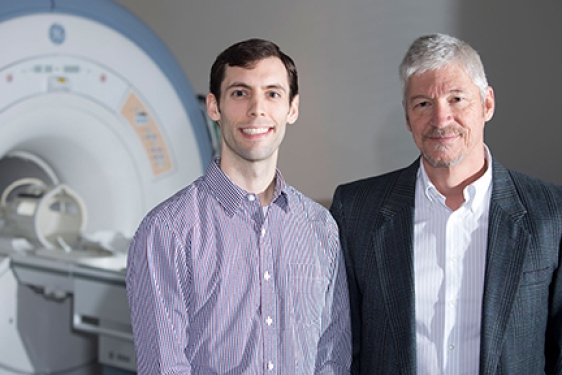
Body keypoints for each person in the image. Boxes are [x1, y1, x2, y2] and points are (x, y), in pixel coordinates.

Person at [330, 33, 562, 374]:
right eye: (423, 104)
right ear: (408, 118)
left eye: (456, 99)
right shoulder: (356, 210)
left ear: (487, 104)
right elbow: (340, 346)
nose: (440, 120)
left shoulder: (550, 212)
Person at [126, 38, 352, 374]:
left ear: (292, 108)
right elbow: (164, 367)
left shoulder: (320, 227)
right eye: (240, 93)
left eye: (272, 93)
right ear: (214, 107)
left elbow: (331, 357)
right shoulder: (167, 230)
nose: (257, 109)